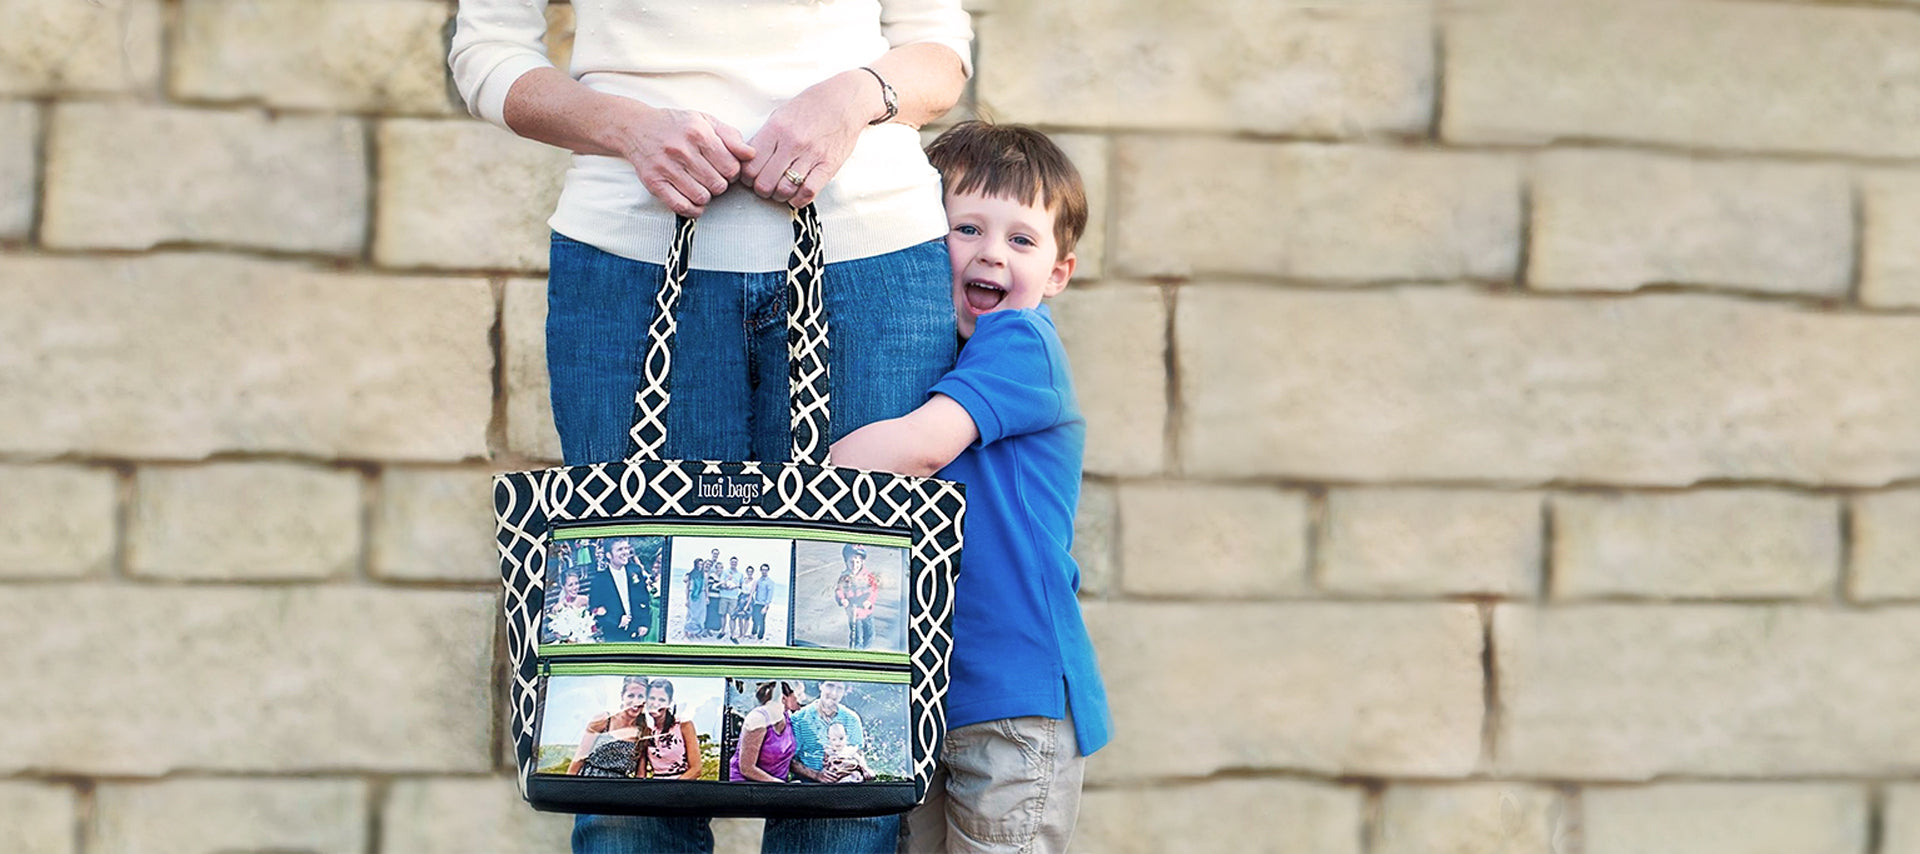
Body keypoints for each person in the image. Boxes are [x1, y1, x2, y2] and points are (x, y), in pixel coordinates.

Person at [451, 0, 969, 845]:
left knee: (851, 731)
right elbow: (486, 51)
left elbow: (937, 49)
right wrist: (627, 129)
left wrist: (849, 99)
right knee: (630, 723)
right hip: (627, 264)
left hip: (871, 270)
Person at [829, 121, 1113, 854]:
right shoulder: (934, 356)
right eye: (967, 228)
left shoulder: (1021, 343)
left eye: (1022, 240)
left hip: (1012, 698)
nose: (992, 251)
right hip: (932, 695)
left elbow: (921, 451)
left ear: (1057, 273)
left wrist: (804, 484)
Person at [570, 676, 652, 777]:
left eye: (640, 696)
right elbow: (579, 758)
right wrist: (565, 788)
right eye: (631, 696)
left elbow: (640, 774)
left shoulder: (644, 732)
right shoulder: (604, 720)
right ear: (622, 696)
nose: (636, 701)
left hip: (620, 789)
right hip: (590, 783)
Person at [727, 680, 806, 782]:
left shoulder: (788, 716)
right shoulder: (758, 719)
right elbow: (747, 768)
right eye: (799, 694)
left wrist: (817, 775)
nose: (803, 698)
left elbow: (786, 761)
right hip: (747, 789)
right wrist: (778, 784)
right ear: (783, 698)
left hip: (774, 789)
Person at [789, 679, 864, 783]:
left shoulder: (852, 719)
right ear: (820, 686)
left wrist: (845, 769)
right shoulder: (799, 718)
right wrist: (817, 775)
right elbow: (789, 761)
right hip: (808, 787)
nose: (834, 693)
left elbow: (858, 754)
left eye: (839, 689)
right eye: (830, 686)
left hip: (844, 785)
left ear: (845, 691)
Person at [637, 678, 703, 780]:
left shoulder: (683, 726)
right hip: (656, 788)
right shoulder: (647, 731)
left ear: (669, 703)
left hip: (681, 786)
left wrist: (673, 789)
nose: (655, 703)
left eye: (661, 700)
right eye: (652, 698)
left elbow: (696, 769)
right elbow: (641, 774)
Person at [591, 538, 654, 642]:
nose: (625, 552)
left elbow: (643, 599)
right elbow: (595, 609)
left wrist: (643, 623)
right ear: (609, 555)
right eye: (620, 549)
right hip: (613, 633)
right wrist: (616, 620)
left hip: (635, 630)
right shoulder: (599, 580)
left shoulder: (635, 570)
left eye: (626, 548)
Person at [833, 544, 879, 649]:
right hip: (853, 612)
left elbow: (874, 590)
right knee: (856, 637)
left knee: (870, 635)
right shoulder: (845, 577)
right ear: (846, 562)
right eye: (851, 562)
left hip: (866, 610)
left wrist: (869, 601)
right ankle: (855, 656)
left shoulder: (868, 576)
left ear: (862, 562)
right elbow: (839, 590)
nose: (855, 565)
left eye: (857, 562)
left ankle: (865, 653)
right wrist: (842, 599)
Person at [545, 565, 601, 645]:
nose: (575, 588)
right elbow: (556, 632)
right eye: (570, 585)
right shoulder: (557, 608)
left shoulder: (585, 600)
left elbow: (592, 621)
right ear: (563, 586)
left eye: (577, 583)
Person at [684, 558, 710, 640]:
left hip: (701, 595)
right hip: (692, 595)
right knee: (691, 614)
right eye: (699, 564)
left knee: (701, 615)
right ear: (695, 564)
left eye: (702, 564)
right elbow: (687, 587)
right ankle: (688, 632)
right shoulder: (690, 574)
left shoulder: (704, 575)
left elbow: (706, 587)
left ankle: (697, 632)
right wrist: (686, 599)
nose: (700, 566)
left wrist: (707, 597)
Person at [751, 563, 777, 640]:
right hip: (756, 603)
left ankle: (760, 636)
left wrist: (766, 606)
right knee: (754, 619)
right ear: (760, 570)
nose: (764, 571)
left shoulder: (770, 582)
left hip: (763, 604)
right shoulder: (758, 580)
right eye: (763, 570)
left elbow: (770, 595)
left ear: (768, 571)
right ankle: (754, 632)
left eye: (765, 570)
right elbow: (755, 590)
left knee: (761, 620)